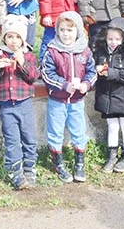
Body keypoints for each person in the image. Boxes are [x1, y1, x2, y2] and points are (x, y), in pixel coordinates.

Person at [0, 14, 40, 189]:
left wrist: (22, 62)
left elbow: (33, 76)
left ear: (23, 39)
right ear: (4, 38)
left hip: (24, 102)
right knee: (12, 139)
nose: (14, 41)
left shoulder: (28, 55)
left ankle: (29, 168)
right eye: (10, 36)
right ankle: (15, 171)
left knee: (29, 137)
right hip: (6, 104)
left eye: (17, 37)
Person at [41, 11, 96, 183]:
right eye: (62, 30)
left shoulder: (84, 51)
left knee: (79, 131)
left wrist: (86, 84)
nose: (66, 34)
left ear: (78, 31)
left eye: (70, 30)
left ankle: (79, 163)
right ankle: (58, 163)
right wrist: (64, 85)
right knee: (55, 132)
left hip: (77, 101)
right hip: (57, 99)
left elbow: (92, 72)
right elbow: (47, 73)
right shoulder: (52, 50)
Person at [93, 18, 124, 173]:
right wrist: (97, 71)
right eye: (110, 39)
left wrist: (110, 73)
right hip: (106, 95)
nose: (113, 42)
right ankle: (112, 155)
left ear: (123, 38)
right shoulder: (99, 50)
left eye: (117, 39)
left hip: (123, 94)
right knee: (112, 125)